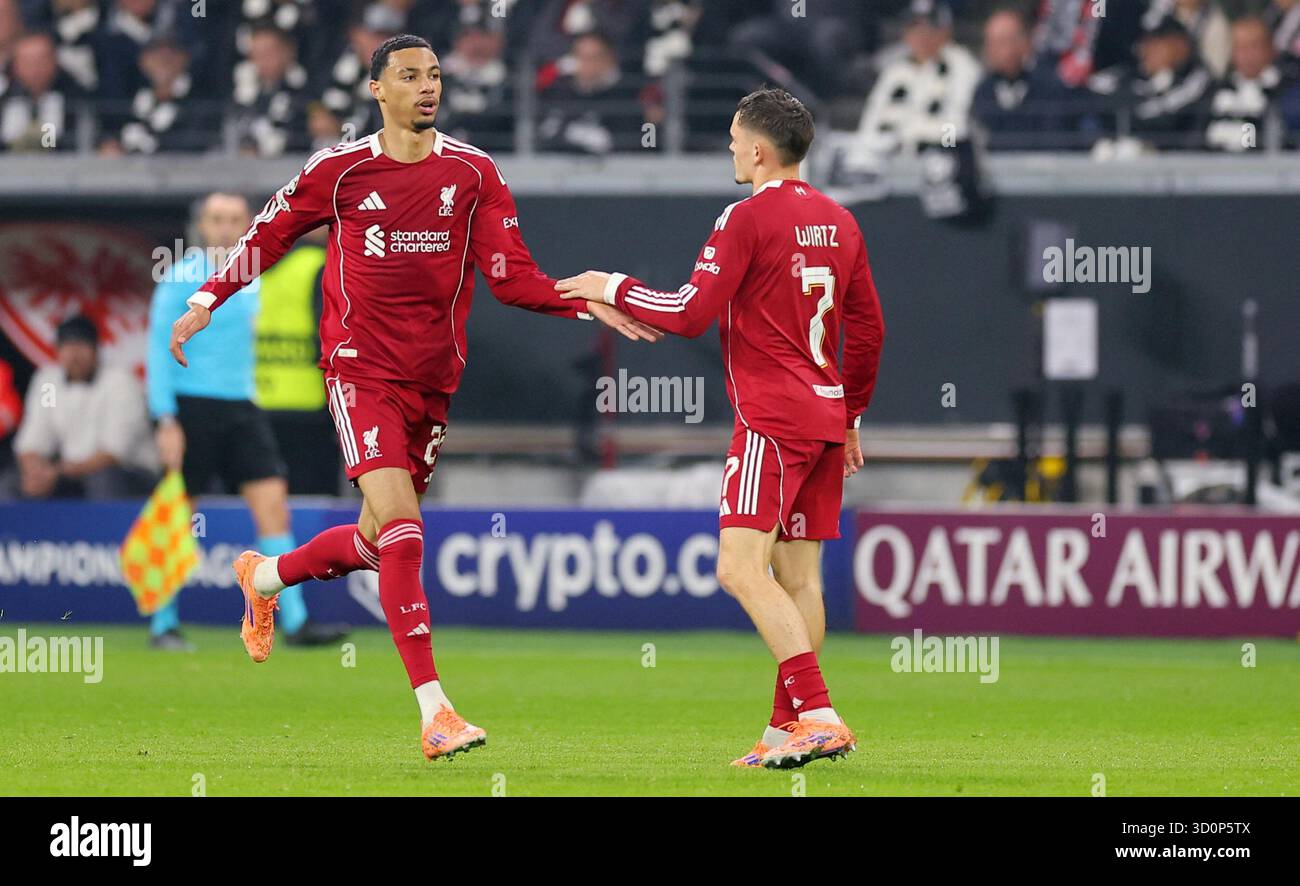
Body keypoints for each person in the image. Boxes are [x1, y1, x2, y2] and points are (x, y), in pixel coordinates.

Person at [166, 34, 659, 761]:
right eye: (409, 75)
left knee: (375, 540)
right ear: (377, 89)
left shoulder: (474, 174)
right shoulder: (339, 171)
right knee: (402, 524)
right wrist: (208, 297)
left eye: (434, 75)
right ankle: (436, 711)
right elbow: (268, 235)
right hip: (359, 369)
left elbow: (510, 277)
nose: (427, 87)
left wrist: (582, 298)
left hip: (433, 379)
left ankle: (263, 576)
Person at [556, 88, 886, 769]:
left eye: (736, 139)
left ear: (760, 150)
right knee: (800, 580)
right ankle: (781, 731)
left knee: (738, 568)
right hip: (824, 416)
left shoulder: (744, 219)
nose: (731, 150)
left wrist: (606, 283)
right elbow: (870, 329)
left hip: (772, 419)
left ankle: (820, 715)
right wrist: (851, 413)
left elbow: (688, 311)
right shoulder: (841, 221)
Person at [147, 191, 348, 652]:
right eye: (216, 218)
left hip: (243, 407)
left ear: (247, 224)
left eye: (234, 218)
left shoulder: (252, 278)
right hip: (191, 405)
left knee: (274, 505)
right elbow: (157, 351)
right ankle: (163, 623)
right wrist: (165, 420)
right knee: (177, 517)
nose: (224, 226)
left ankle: (294, 620)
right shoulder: (181, 277)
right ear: (201, 224)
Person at [13, 315, 157, 500]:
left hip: (130, 472)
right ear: (58, 351)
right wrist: (35, 471)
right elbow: (34, 439)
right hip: (67, 472)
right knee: (13, 482)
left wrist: (56, 473)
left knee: (102, 479)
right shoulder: (48, 383)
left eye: (81, 347)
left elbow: (114, 452)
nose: (74, 356)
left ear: (96, 350)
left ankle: (109, 530)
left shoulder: (121, 382)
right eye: (67, 347)